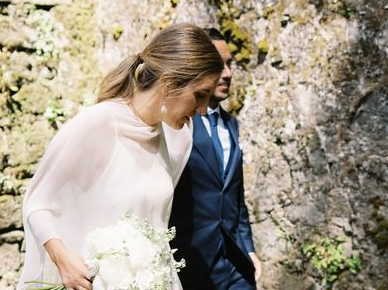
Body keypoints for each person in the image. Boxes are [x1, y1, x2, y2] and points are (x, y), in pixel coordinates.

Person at [17, 23, 224, 290]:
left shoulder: (180, 136)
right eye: (200, 95)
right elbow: (37, 201)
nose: (204, 110)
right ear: (169, 83)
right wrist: (62, 259)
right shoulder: (97, 123)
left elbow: (157, 224)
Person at [169, 28, 262, 290]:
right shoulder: (177, 125)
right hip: (193, 265)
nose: (228, 73)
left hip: (236, 263)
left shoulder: (232, 124)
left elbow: (235, 196)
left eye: (230, 64)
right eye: (218, 65)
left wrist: (249, 248)